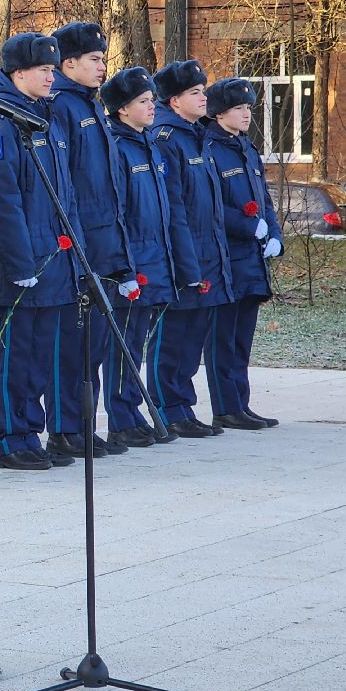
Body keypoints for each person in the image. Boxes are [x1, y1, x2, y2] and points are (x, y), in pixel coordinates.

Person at [0, 32, 81, 471]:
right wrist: (18, 264)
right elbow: (3, 200)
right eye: (44, 70)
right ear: (18, 73)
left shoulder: (44, 118)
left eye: (53, 69)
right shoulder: (0, 123)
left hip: (55, 259)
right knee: (18, 354)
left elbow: (64, 196)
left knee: (41, 355)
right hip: (25, 265)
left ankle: (31, 434)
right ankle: (12, 439)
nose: (51, 76)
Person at [47, 23, 134, 459]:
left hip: (105, 242)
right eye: (95, 60)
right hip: (82, 244)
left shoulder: (92, 106)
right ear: (69, 64)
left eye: (103, 59)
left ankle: (83, 425)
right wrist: (77, 245)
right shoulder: (62, 106)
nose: (103, 66)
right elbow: (68, 186)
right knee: (74, 344)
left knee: (95, 343)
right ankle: (65, 428)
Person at [101, 67, 196, 448]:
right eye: (143, 101)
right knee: (123, 342)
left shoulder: (151, 145)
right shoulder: (118, 147)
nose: (152, 106)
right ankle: (121, 417)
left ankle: (133, 411)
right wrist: (125, 264)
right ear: (123, 109)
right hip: (133, 261)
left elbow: (165, 209)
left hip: (156, 258)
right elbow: (119, 211)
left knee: (137, 340)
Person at [146, 59, 235, 438]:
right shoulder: (168, 139)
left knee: (193, 337)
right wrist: (186, 263)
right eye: (195, 93)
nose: (204, 98)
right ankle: (168, 407)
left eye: (203, 91)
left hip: (207, 253)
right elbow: (175, 209)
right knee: (174, 336)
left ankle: (183, 406)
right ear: (174, 101)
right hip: (185, 256)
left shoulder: (197, 135)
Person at [204, 77, 283, 429]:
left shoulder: (246, 148)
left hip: (251, 259)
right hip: (226, 256)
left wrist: (274, 234)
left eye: (248, 108)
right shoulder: (210, 148)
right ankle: (226, 406)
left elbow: (263, 199)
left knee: (242, 339)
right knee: (223, 336)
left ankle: (241, 403)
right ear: (220, 113)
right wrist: (248, 227)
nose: (246, 114)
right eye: (238, 108)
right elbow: (211, 205)